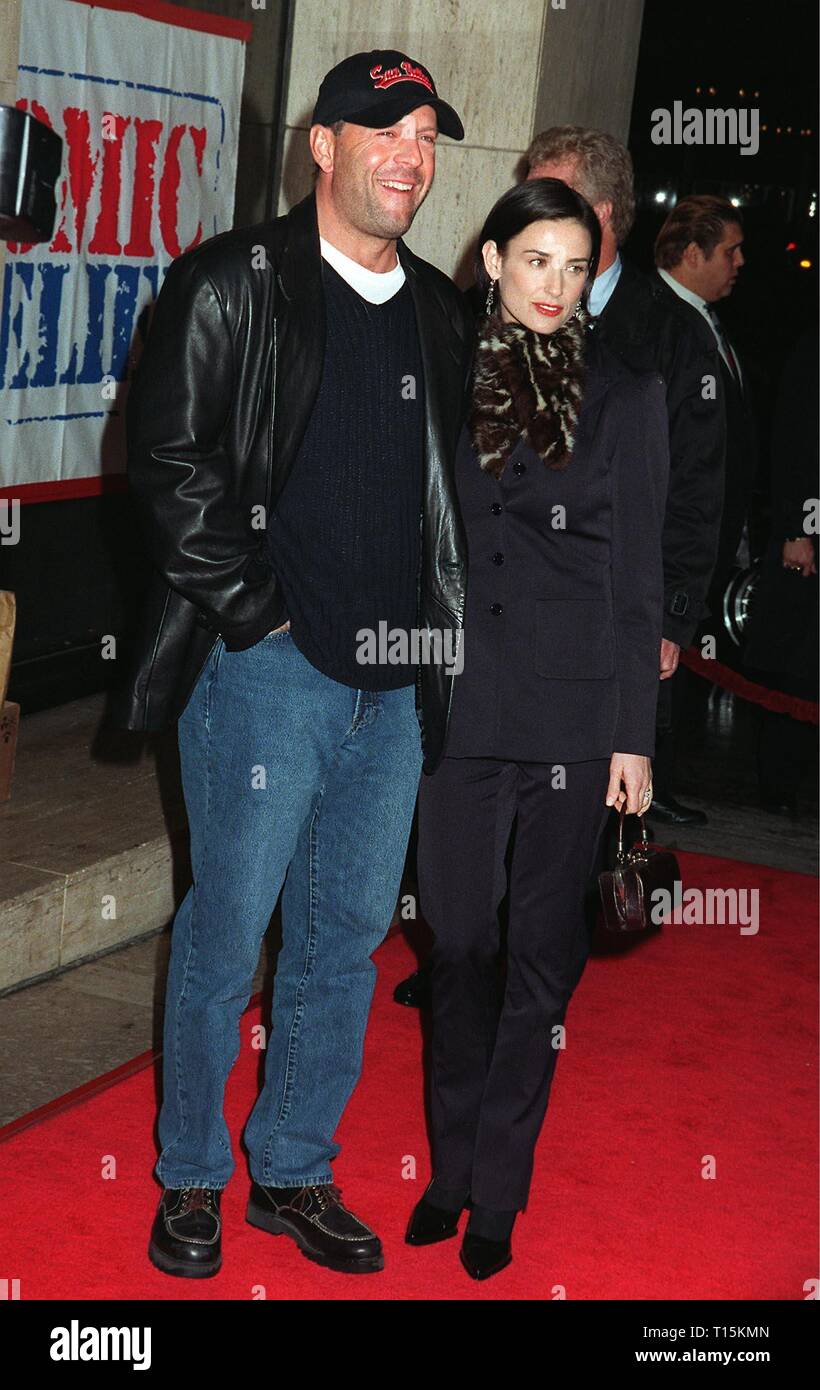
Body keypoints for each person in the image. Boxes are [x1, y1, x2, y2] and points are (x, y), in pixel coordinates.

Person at [110, 49, 472, 1278]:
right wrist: (256, 612)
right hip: (267, 671)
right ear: (323, 145)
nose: (409, 156)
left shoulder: (437, 306)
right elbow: (165, 465)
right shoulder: (232, 281)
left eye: (426, 135)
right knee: (228, 931)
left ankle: (295, 1167)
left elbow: (446, 504)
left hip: (396, 682)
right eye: (385, 131)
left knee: (347, 938)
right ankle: (191, 1176)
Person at [404, 179, 669, 1279]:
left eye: (574, 265)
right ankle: (450, 1159)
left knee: (541, 960)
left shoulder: (628, 392)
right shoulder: (443, 373)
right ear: (495, 262)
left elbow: (636, 575)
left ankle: (495, 1189)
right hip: (460, 708)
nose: (555, 286)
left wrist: (632, 735)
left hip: (569, 718)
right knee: (457, 944)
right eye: (535, 262)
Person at [526, 130, 727, 827]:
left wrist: (673, 615)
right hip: (514, 616)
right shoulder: (492, 309)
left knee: (585, 821)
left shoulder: (671, 334)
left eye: (553, 193)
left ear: (604, 211)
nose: (532, 207)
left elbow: (696, 490)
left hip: (613, 617)